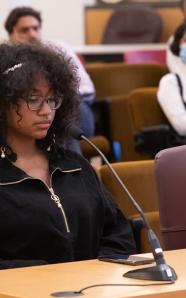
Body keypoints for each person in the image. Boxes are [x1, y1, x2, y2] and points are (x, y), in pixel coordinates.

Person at [0, 43, 135, 269]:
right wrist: (49, 277)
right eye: (34, 99)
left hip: (93, 292)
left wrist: (96, 274)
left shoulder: (75, 166)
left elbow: (118, 234)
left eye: (52, 99)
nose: (47, 111)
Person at [4, 7, 96, 151]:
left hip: (75, 103)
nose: (32, 34)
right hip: (27, 111)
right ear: (11, 34)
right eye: (24, 30)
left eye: (35, 28)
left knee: (65, 124)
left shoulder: (59, 48)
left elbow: (87, 87)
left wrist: (58, 99)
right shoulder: (5, 61)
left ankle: (71, 171)